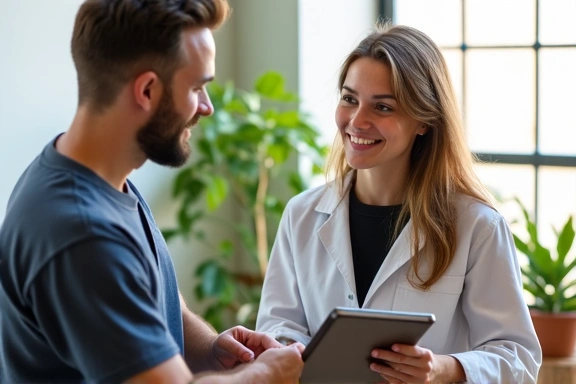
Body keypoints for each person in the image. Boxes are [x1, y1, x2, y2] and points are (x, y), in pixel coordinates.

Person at [0, 0, 304, 383]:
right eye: (197, 88)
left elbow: (156, 302)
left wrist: (210, 350)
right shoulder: (82, 231)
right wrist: (267, 375)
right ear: (146, 90)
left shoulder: (102, 177)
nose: (207, 107)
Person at [256, 23, 542, 384]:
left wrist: (444, 369)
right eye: (349, 99)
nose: (357, 121)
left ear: (424, 120)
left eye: (383, 107)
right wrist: (290, 349)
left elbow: (518, 358)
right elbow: (279, 326)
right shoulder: (302, 215)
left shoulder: (477, 226)